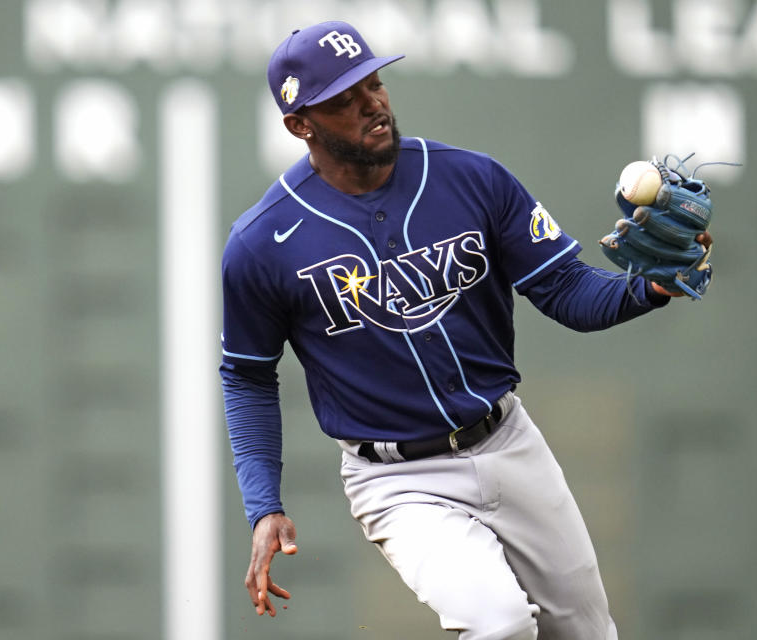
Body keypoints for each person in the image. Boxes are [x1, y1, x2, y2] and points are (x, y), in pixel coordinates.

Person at [221, 20, 700, 639]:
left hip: (509, 444)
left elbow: (564, 291)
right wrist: (265, 506)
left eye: (373, 83)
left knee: (588, 635)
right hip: (397, 479)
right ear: (300, 124)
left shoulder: (471, 179)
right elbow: (247, 376)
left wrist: (650, 288)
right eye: (345, 98)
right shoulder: (262, 243)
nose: (372, 103)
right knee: (498, 625)